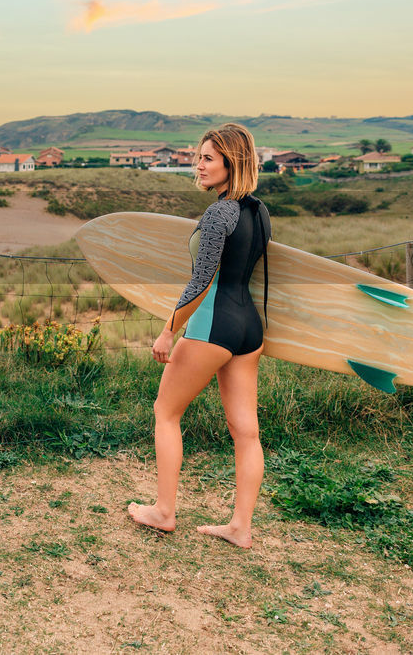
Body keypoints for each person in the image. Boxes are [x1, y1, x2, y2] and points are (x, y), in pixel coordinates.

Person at [127, 122, 271, 548]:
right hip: (249, 328)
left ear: (232, 161)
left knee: (166, 412)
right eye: (199, 157)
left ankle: (163, 511)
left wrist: (168, 331)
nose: (199, 165)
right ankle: (240, 528)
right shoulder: (259, 211)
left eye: (208, 157)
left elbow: (201, 282)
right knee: (246, 431)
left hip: (212, 325)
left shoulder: (219, 212)